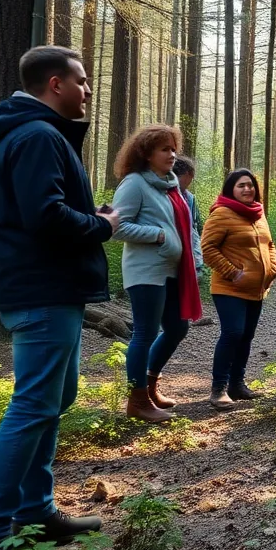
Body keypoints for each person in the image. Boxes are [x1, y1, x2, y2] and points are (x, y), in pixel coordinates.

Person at [0, 46, 119, 550]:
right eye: (82, 79)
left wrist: (86, 216)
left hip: (49, 289)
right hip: (41, 291)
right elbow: (45, 216)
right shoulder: (38, 136)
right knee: (33, 405)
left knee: (55, 397)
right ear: (55, 84)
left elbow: (44, 209)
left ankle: (36, 510)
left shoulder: (33, 134)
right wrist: (101, 225)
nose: (88, 89)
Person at [111, 125, 202, 422]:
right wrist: (159, 235)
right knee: (145, 333)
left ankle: (150, 386)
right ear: (146, 153)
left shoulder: (171, 185)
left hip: (174, 271)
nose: (172, 154)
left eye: (173, 149)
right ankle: (137, 401)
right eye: (165, 149)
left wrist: (194, 256)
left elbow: (188, 229)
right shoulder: (134, 183)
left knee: (177, 328)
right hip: (147, 270)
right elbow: (116, 226)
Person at [201, 169, 276, 410]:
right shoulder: (222, 214)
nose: (247, 189)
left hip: (256, 289)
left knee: (246, 336)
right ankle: (219, 389)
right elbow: (208, 249)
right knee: (233, 333)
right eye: (241, 186)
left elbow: (270, 243)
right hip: (228, 288)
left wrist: (273, 267)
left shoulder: (258, 213)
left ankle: (237, 384)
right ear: (231, 190)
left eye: (250, 185)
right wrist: (234, 273)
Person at [174, 154, 212, 326]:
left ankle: (187, 314)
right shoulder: (167, 194)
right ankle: (176, 316)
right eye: (188, 177)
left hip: (191, 243)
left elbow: (195, 224)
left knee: (195, 275)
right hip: (174, 245)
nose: (189, 182)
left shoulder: (190, 197)